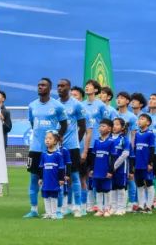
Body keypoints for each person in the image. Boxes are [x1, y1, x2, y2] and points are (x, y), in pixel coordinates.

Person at [24, 78, 68, 219]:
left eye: (43, 85)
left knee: (55, 180)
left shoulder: (57, 106)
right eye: (39, 85)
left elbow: (64, 125)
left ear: (49, 88)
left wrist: (56, 138)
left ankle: (58, 210)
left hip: (52, 151)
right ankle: (34, 209)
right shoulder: (32, 105)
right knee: (34, 179)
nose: (40, 87)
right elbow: (33, 124)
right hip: (35, 149)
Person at [80, 80, 113, 212]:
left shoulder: (101, 105)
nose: (87, 87)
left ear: (95, 90)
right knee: (85, 174)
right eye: (86, 86)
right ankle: (89, 203)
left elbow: (107, 123)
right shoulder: (81, 105)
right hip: (84, 144)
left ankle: (104, 204)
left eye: (89, 86)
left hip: (98, 144)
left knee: (99, 173)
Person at [56, 79, 87, 216]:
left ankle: (78, 206)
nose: (59, 88)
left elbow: (83, 127)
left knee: (74, 176)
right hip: (58, 147)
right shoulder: (55, 104)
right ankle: (63, 205)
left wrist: (76, 142)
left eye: (62, 86)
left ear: (68, 88)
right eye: (58, 86)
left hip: (72, 147)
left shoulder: (77, 105)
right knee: (61, 176)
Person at [89, 118, 116, 216]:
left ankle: (107, 209)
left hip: (106, 170)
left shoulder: (111, 141)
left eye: (103, 126)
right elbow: (93, 156)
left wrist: (110, 171)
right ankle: (100, 209)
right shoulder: (96, 141)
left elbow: (113, 158)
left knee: (107, 189)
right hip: (97, 170)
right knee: (98, 189)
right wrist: (92, 169)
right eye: (100, 126)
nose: (101, 128)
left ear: (109, 129)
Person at [132, 113, 156, 213]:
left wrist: (150, 163)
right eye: (139, 119)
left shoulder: (150, 134)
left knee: (149, 183)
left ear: (148, 122)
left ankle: (149, 205)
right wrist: (133, 163)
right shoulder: (137, 134)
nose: (139, 121)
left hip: (146, 163)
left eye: (142, 119)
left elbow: (152, 149)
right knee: (139, 184)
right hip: (138, 163)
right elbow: (134, 149)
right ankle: (141, 205)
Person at [39, 132, 67, 220]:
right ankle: (48, 213)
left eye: (50, 138)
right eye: (46, 138)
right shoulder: (43, 154)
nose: (47, 140)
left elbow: (61, 168)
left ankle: (54, 213)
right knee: (46, 196)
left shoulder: (58, 155)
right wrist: (40, 178)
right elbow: (41, 167)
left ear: (55, 142)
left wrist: (61, 179)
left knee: (54, 197)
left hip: (54, 180)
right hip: (46, 181)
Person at [110, 118, 131, 216]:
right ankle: (113, 207)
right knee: (113, 187)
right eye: (113, 124)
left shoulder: (124, 139)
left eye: (117, 124)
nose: (114, 126)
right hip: (110, 167)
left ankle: (121, 208)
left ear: (122, 128)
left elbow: (125, 153)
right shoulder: (108, 138)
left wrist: (115, 165)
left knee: (121, 187)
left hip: (121, 167)